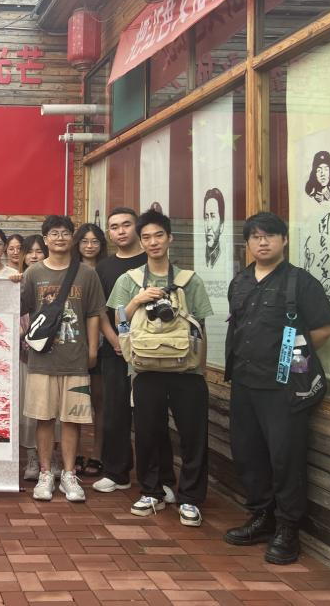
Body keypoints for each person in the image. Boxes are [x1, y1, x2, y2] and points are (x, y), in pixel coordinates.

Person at [223, 212, 330, 564]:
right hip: (244, 382)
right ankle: (262, 517)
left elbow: (322, 330)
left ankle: (288, 529)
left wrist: (290, 360)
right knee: (248, 454)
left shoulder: (300, 282)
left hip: (284, 388)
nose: (263, 242)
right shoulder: (240, 281)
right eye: (255, 236)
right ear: (247, 243)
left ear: (284, 239)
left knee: (286, 458)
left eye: (270, 235)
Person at [107, 208, 213, 527]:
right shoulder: (129, 280)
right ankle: (151, 491)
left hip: (187, 372)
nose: (153, 242)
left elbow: (200, 327)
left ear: (170, 239)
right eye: (147, 237)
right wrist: (137, 301)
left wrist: (201, 370)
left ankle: (190, 498)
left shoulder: (189, 280)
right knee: (148, 433)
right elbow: (120, 322)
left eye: (158, 236)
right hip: (144, 370)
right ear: (141, 242)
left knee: (193, 435)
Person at [92, 208, 176, 502]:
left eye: (126, 225)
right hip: (115, 352)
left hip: (152, 353)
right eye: (114, 227)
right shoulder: (104, 267)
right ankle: (116, 473)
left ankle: (162, 478)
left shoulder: (152, 261)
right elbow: (100, 311)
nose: (120, 231)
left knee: (152, 416)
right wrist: (115, 340)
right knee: (114, 413)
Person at [21, 215, 105, 504]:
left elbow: (93, 314)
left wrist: (92, 350)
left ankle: (69, 474)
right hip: (41, 361)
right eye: (54, 233)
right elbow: (20, 308)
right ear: (45, 239)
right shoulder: (33, 273)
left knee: (72, 419)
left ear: (72, 238)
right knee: (44, 419)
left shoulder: (86, 274)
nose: (60, 238)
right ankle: (46, 473)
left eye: (65, 233)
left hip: (75, 359)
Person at [70, 223, 107, 478]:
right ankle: (76, 453)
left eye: (95, 241)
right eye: (84, 241)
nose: (90, 246)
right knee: (75, 402)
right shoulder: (71, 270)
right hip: (74, 343)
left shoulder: (107, 270)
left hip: (103, 344)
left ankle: (97, 453)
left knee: (99, 402)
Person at [19, 233, 49, 480]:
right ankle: (31, 457)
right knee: (28, 409)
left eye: (39, 251)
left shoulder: (52, 282)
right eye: (29, 252)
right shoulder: (16, 282)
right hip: (23, 357)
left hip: (50, 356)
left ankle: (51, 456)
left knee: (50, 410)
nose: (34, 256)